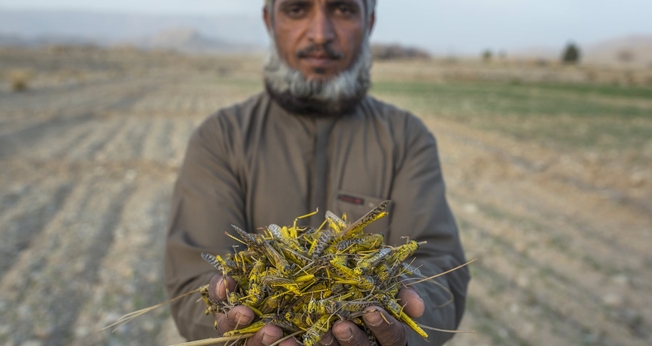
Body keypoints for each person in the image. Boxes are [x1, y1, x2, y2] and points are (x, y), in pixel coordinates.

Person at [165, 0, 470, 345]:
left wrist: (406, 319)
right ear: (270, 20)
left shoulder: (406, 139)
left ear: (368, 22)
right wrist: (225, 319)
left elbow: (441, 269)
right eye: (297, 9)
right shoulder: (221, 138)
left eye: (343, 9)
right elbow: (192, 279)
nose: (321, 33)